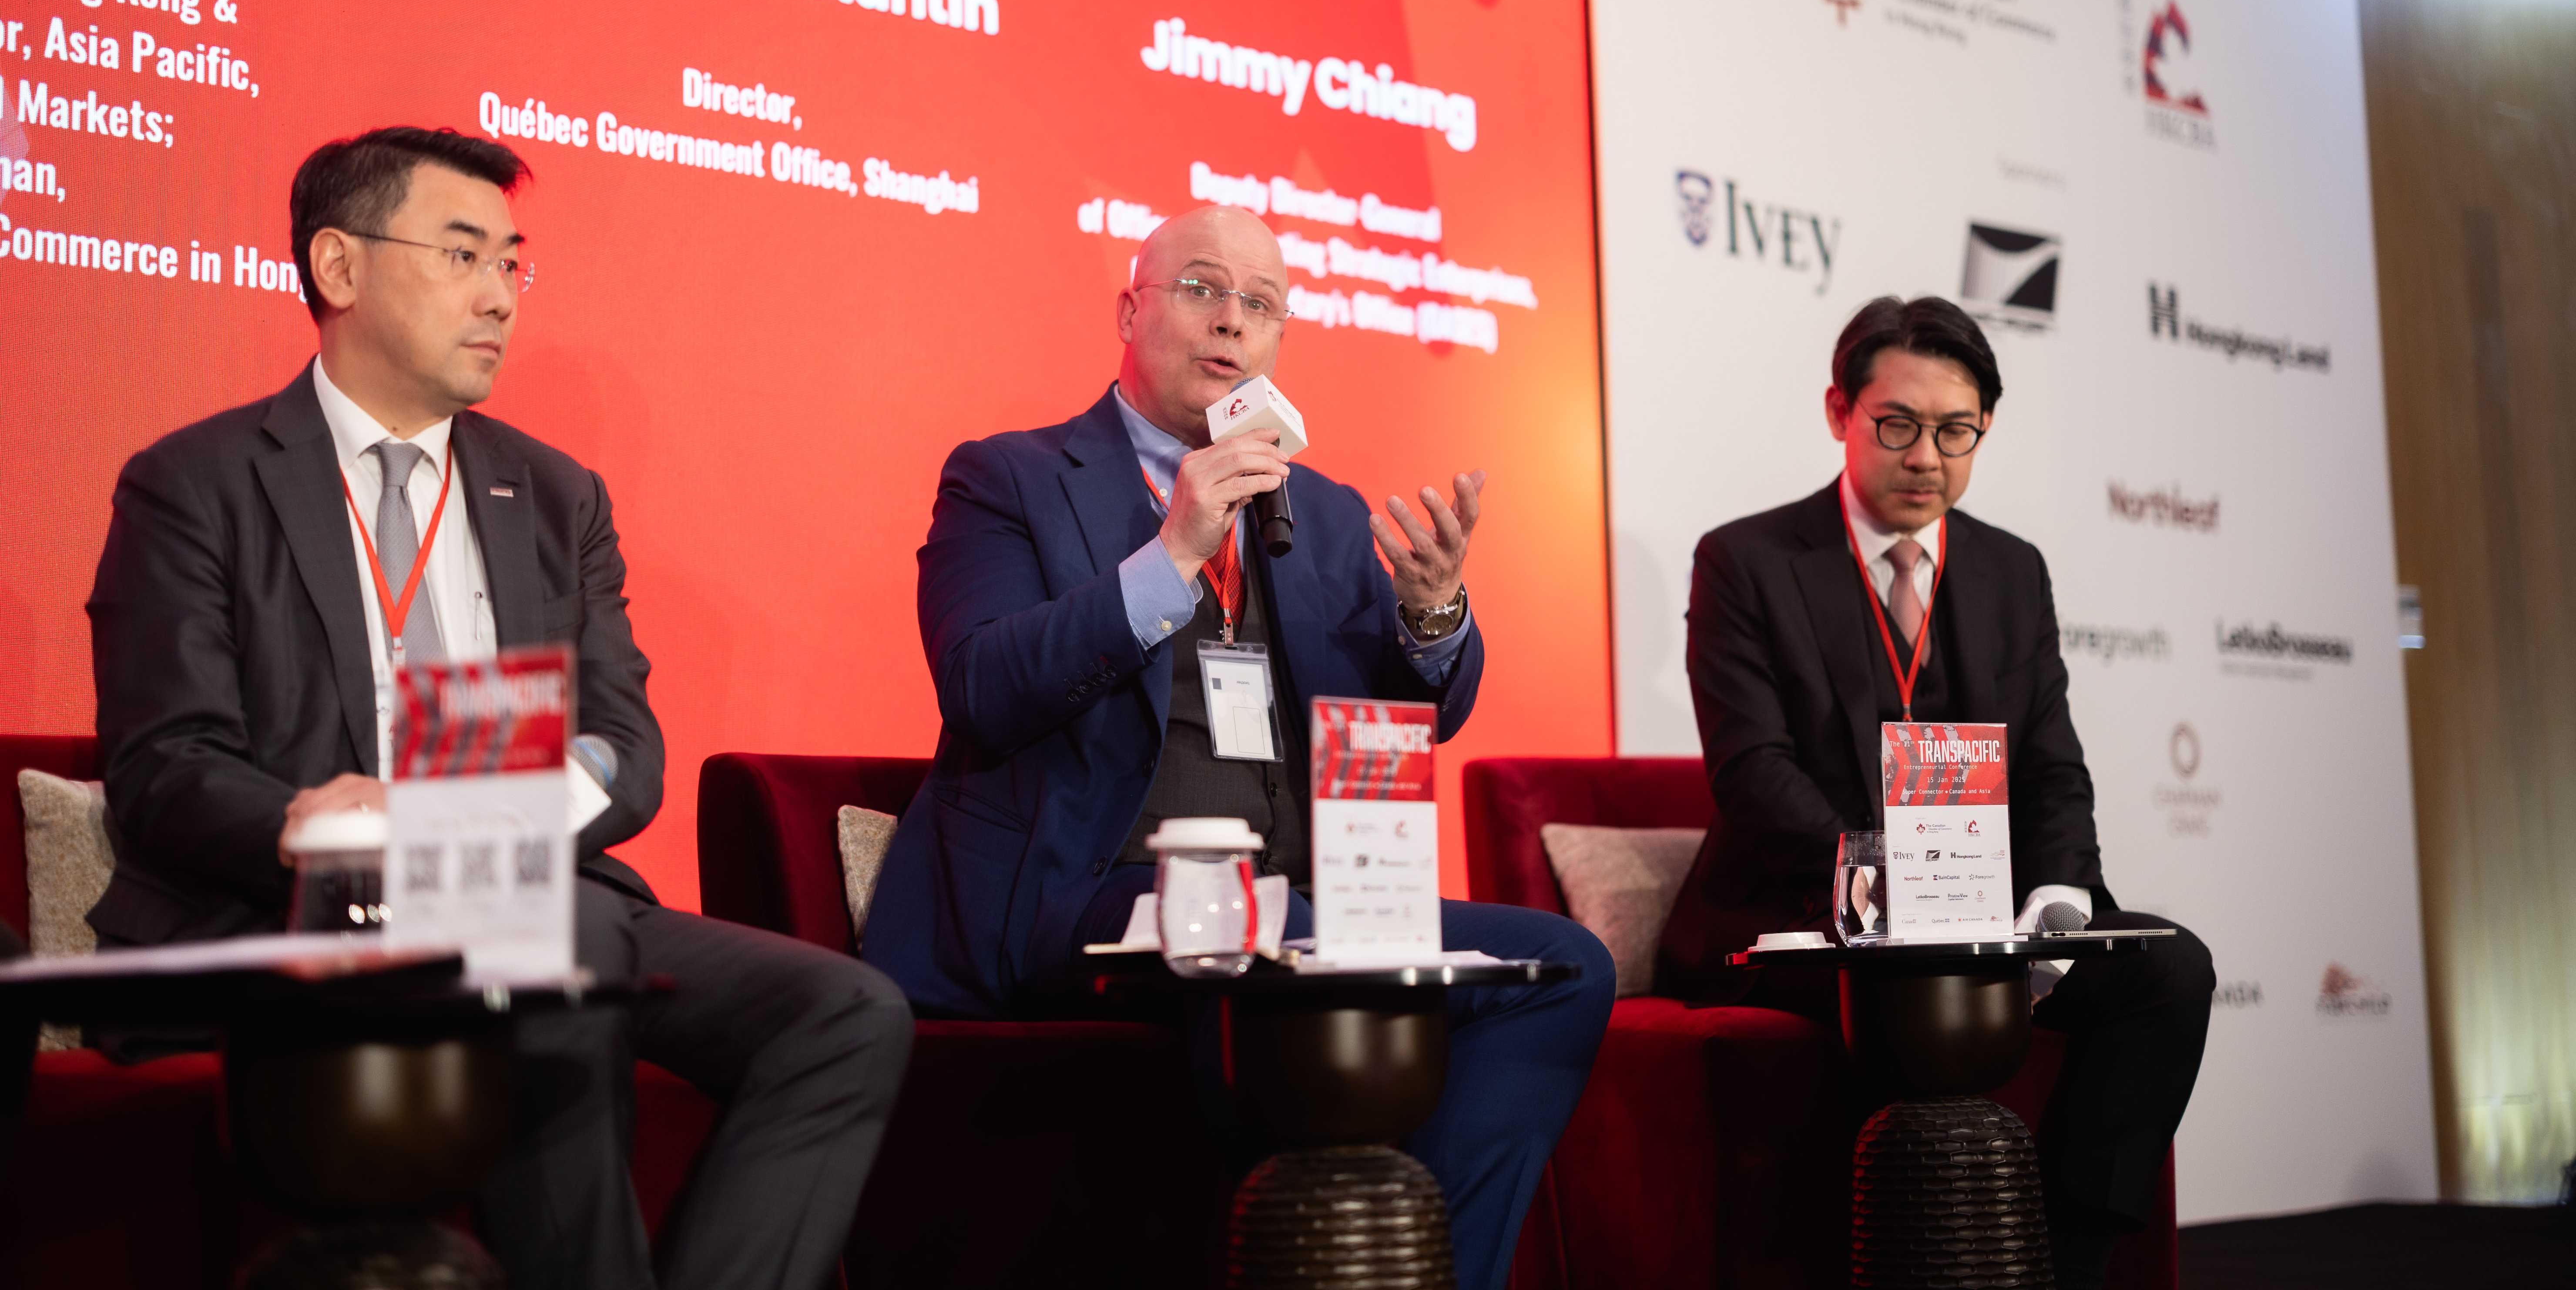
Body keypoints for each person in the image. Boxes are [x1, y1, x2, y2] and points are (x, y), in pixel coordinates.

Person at [85, 126, 914, 1290]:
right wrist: (328, 826)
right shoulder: (196, 483)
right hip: (300, 910)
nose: (501, 297)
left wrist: (508, 823)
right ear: (339, 267)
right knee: (556, 943)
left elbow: (625, 749)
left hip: (530, 881)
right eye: (464, 255)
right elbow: (167, 764)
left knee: (846, 1013)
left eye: (514, 264)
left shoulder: (556, 494)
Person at [868, 204, 1614, 1290]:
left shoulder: (1321, 513)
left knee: (1563, 967)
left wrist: (1432, 616)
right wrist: (1171, 554)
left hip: (1285, 899)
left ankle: (1424, 1273)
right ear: (1129, 312)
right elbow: (983, 686)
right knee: (1283, 952)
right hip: (1085, 888)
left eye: (1259, 305)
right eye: (1201, 290)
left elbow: (1420, 712)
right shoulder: (1009, 478)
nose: (1230, 322)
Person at [1654, 295, 2214, 1290]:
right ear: (1839, 412)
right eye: (1897, 426)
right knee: (1913, 994)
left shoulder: (2009, 570)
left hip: (1980, 911)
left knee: (2168, 972)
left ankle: (2062, 1261)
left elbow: (2050, 766)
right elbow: (1754, 775)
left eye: (1957, 432)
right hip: (1807, 914)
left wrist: (2057, 895)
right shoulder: (1746, 562)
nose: (1926, 458)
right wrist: (1898, 889)